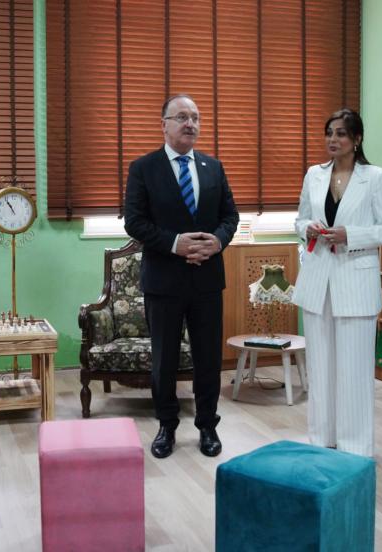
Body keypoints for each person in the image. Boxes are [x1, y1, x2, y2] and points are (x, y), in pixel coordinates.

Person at [124, 93, 239, 459]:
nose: (191, 123)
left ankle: (207, 426)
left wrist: (217, 242)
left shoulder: (213, 167)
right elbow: (134, 222)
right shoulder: (143, 168)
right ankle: (166, 426)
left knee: (208, 358)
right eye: (182, 117)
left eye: (195, 117)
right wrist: (175, 244)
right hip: (164, 280)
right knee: (164, 360)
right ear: (164, 125)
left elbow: (230, 217)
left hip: (207, 279)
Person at [291, 108, 382, 457]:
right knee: (320, 368)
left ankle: (354, 448)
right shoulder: (314, 175)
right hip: (317, 281)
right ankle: (321, 440)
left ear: (357, 139)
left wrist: (350, 235)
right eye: (329, 133)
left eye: (340, 133)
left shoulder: (376, 177)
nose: (332, 140)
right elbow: (300, 219)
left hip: (355, 283)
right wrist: (308, 228)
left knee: (354, 370)